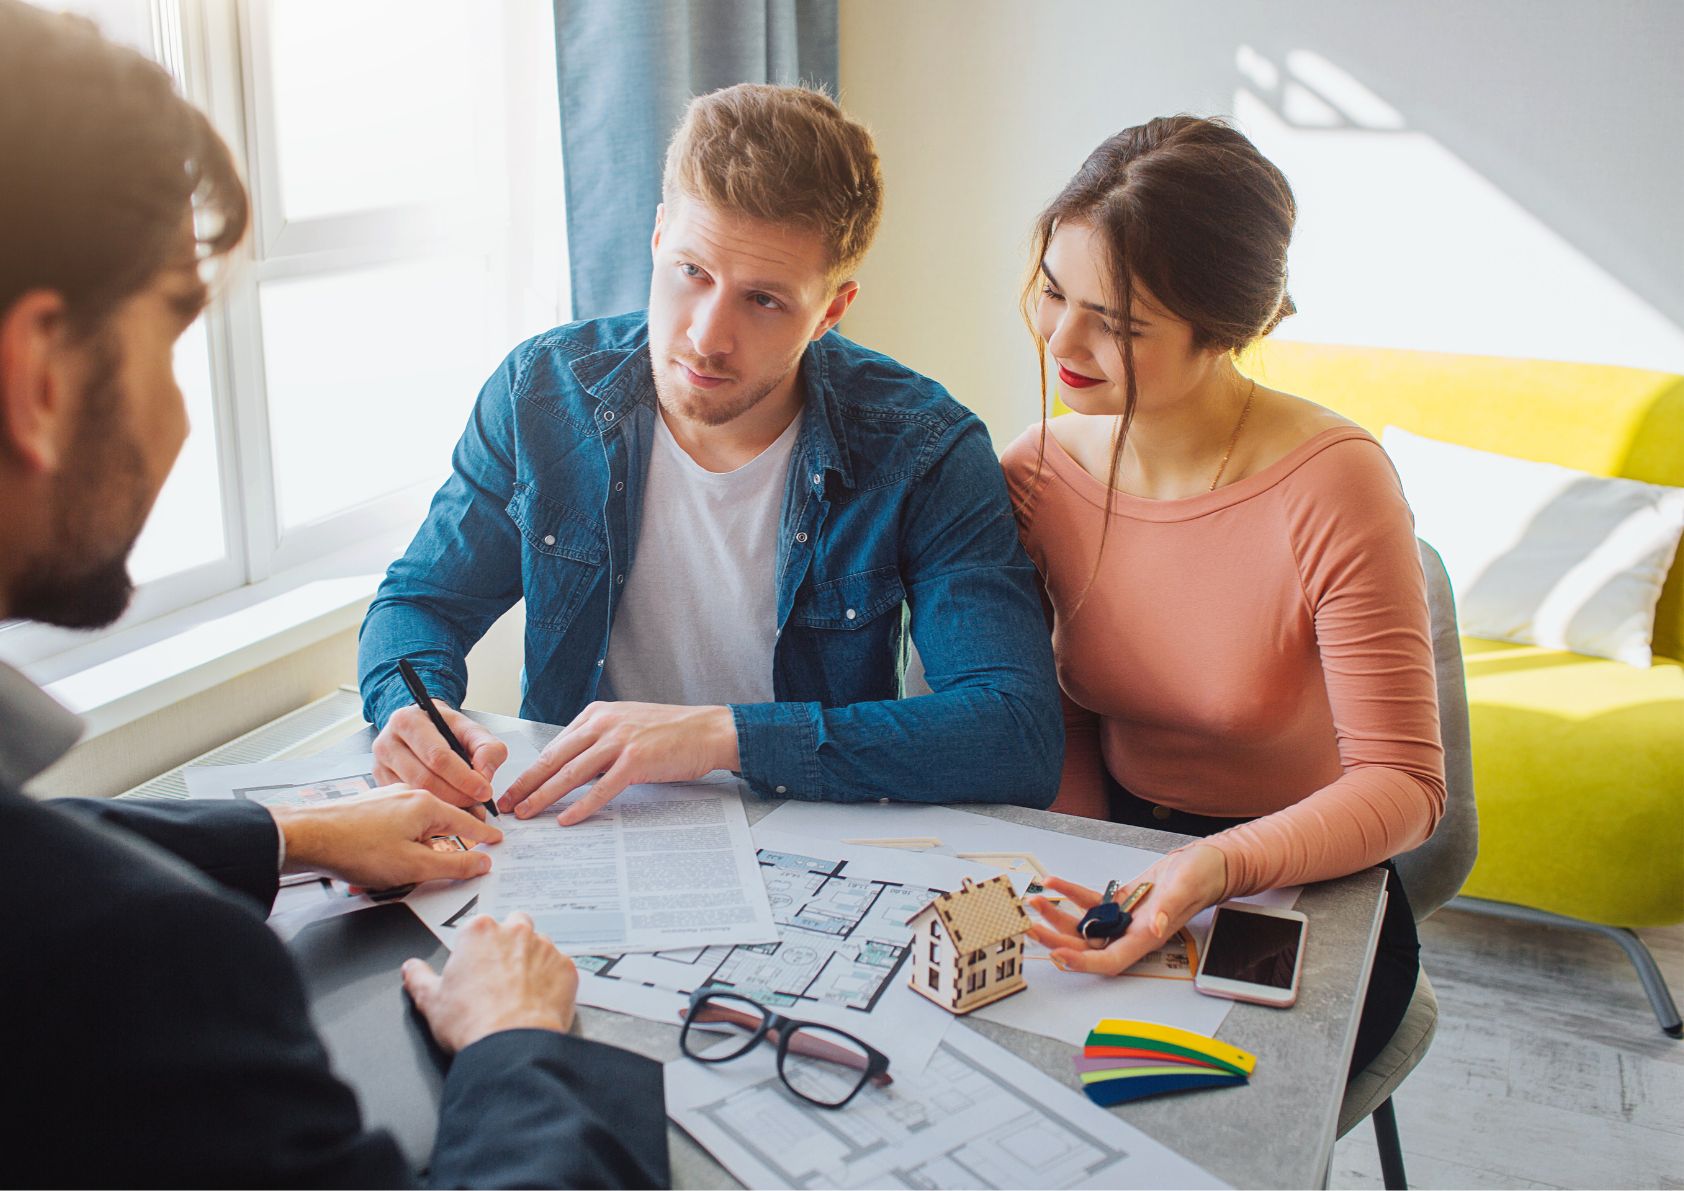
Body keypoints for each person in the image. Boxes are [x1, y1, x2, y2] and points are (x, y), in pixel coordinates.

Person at [0, 4, 666, 1185]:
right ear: (38, 379)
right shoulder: (149, 970)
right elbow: (417, 602)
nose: (179, 414)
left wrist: (290, 833)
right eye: (173, 335)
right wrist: (516, 1048)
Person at [358, 83, 1062, 825]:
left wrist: (722, 736)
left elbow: (1015, 732)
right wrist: (414, 708)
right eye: (692, 271)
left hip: (811, 834)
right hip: (579, 827)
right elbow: (419, 602)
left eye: (763, 300)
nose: (705, 336)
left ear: (832, 309)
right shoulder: (541, 393)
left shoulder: (923, 445)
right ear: (659, 235)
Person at [1000, 116, 1446, 1074]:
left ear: (1225, 331)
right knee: (1019, 1086)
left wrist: (1214, 866)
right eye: (1051, 291)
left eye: (1116, 323)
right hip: (1120, 845)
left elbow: (1406, 787)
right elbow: (1066, 708)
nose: (1063, 340)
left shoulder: (1334, 481)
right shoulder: (1036, 476)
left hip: (1308, 876)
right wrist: (1094, 858)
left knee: (1176, 1113)